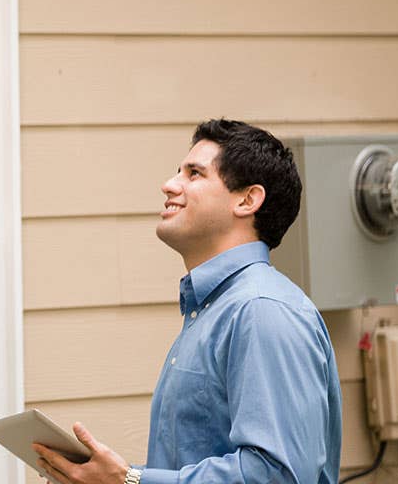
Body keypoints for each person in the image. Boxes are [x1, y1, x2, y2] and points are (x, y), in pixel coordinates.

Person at [34, 119, 341, 484]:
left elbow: (278, 476)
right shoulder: (211, 309)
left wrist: (131, 480)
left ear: (247, 200)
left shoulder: (262, 310)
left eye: (194, 174)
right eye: (177, 172)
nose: (169, 185)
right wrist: (112, 477)